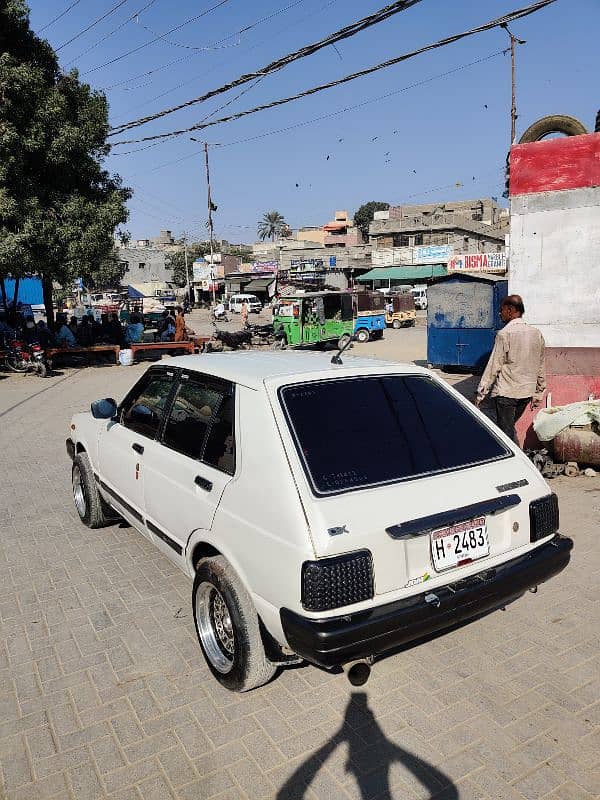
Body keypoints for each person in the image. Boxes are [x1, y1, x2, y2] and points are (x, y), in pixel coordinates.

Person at [476, 294, 546, 443]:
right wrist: (539, 392)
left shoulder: (504, 334)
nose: (500, 313)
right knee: (508, 427)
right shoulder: (536, 334)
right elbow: (540, 365)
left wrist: (480, 394)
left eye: (501, 310)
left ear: (510, 310)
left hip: (507, 393)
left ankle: (514, 461)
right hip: (526, 393)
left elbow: (493, 366)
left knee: (505, 433)